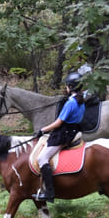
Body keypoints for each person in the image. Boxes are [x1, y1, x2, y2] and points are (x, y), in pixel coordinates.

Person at [32, 72, 86, 202]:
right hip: (74, 130)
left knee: (42, 158)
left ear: (71, 87)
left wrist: (42, 130)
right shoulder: (81, 101)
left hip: (64, 133)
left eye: (67, 86)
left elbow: (58, 123)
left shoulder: (71, 102)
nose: (66, 88)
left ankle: (49, 192)